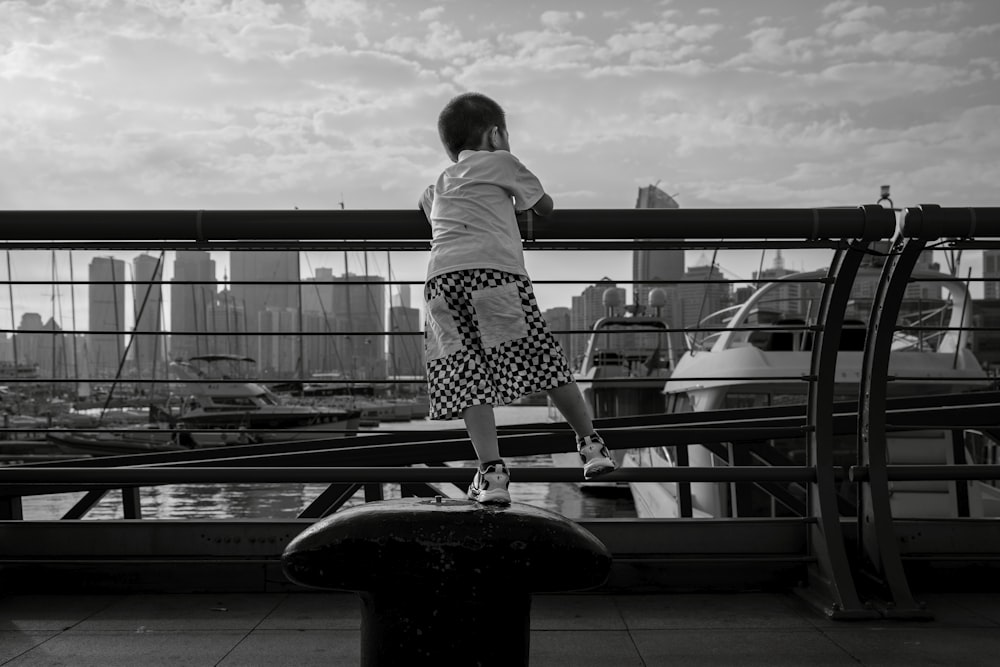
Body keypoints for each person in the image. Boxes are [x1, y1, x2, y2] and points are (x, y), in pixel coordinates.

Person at [419, 92, 616, 505]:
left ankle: (491, 475)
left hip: (441, 282)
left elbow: (427, 207)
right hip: (495, 275)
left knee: (467, 377)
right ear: (495, 134)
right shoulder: (502, 162)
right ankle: (591, 444)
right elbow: (544, 207)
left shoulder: (437, 183)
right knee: (540, 360)